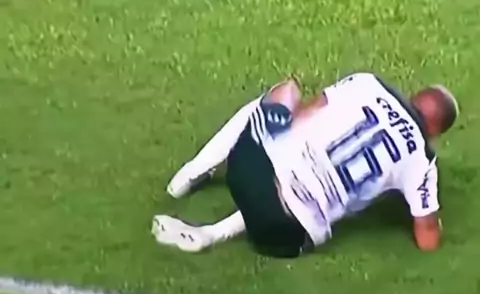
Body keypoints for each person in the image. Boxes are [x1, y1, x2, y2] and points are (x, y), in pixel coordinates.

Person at [152, 72, 459, 257]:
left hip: (248, 176)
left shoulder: (370, 84)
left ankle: (190, 173)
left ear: (415, 96)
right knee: (299, 199)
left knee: (284, 93)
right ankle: (210, 234)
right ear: (435, 131)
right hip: (288, 239)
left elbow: (303, 115)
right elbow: (428, 240)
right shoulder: (423, 162)